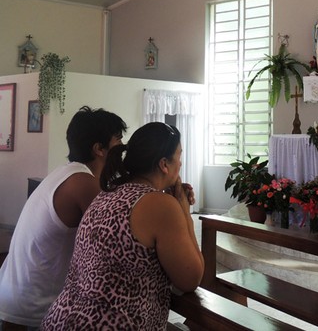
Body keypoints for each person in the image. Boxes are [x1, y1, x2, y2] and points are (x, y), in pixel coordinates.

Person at [41, 122, 204, 330]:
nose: (180, 164)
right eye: (179, 156)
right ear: (164, 164)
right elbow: (191, 278)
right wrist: (184, 211)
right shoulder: (161, 205)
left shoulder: (108, 193)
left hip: (61, 319)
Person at [0, 106, 128, 330]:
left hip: (15, 297)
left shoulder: (66, 173)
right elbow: (122, 237)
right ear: (99, 149)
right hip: (33, 310)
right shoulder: (83, 184)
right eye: (118, 141)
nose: (122, 149)